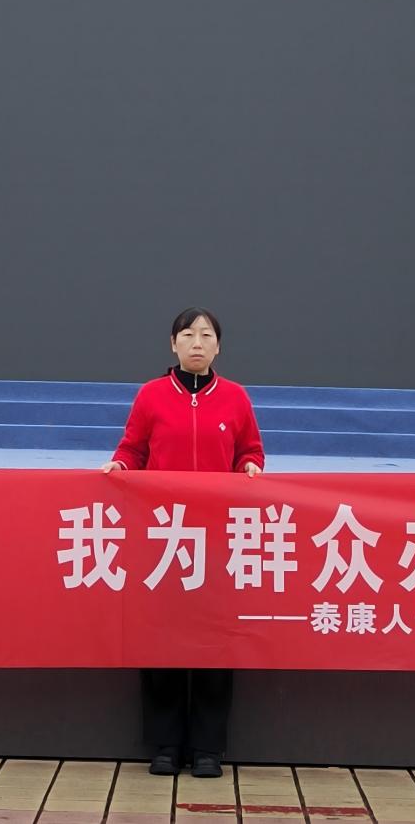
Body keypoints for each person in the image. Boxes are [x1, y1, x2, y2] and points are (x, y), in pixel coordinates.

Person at [101, 307, 264, 779]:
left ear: (218, 346)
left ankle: (208, 747)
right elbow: (132, 449)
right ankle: (166, 744)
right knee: (162, 637)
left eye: (206, 335)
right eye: (188, 334)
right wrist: (119, 467)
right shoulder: (151, 395)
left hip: (218, 537)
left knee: (215, 639)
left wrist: (251, 468)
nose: (197, 342)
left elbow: (250, 450)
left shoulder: (235, 398)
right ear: (173, 344)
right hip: (163, 537)